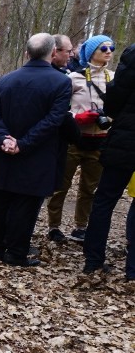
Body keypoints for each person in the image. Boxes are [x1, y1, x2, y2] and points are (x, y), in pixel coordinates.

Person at [0, 33, 72, 267]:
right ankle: (14, 252)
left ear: (26, 53)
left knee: (3, 199)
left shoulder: (7, 79)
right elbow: (54, 120)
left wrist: (6, 140)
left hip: (11, 149)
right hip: (37, 153)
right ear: (53, 53)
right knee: (25, 202)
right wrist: (18, 143)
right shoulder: (61, 82)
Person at [46, 35, 116, 243]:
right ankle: (54, 226)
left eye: (111, 47)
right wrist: (78, 118)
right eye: (103, 48)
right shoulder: (73, 78)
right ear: (91, 52)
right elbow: (60, 109)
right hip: (74, 140)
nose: (108, 51)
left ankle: (80, 227)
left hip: (100, 140)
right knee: (61, 185)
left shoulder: (113, 78)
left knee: (90, 188)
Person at [83, 43, 135, 276]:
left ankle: (93, 260)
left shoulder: (132, 58)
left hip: (124, 141)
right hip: (125, 141)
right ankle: (132, 270)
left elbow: (113, 103)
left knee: (104, 200)